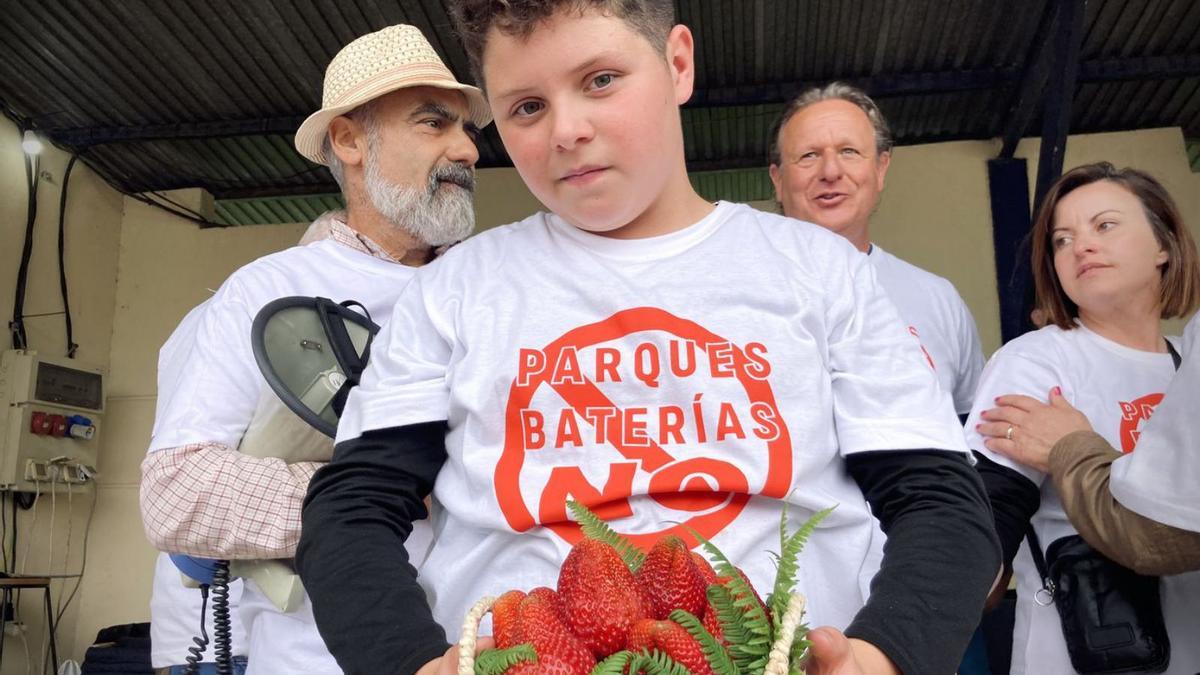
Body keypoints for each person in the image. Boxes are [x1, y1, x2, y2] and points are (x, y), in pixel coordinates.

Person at [297, 3, 1000, 675]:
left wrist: (886, 655)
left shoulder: (820, 272)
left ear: (679, 63)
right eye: (527, 107)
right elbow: (352, 508)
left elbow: (939, 498)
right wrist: (410, 661)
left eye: (600, 80)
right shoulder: (453, 293)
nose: (567, 129)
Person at [138, 24, 489, 675]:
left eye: (469, 130)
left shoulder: (498, 288)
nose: (466, 148)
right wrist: (386, 488)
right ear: (350, 140)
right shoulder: (271, 291)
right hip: (315, 658)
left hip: (487, 651)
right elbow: (176, 492)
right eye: (433, 124)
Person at [966, 162, 1200, 674]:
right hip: (1081, 657)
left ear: (1163, 245)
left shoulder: (1191, 362)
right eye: (1062, 240)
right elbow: (989, 516)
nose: (1082, 246)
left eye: (1105, 225)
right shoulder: (1035, 360)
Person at [768, 82, 984, 417]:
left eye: (849, 152)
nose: (831, 171)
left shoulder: (939, 300)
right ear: (778, 180)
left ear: (881, 169)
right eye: (809, 156)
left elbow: (970, 426)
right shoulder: (742, 295)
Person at [977, 310, 1200, 576]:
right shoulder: (1031, 358)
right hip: (1080, 612)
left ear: (1163, 263)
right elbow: (989, 530)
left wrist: (1069, 447)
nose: (1080, 264)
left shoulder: (1187, 354)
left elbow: (1156, 534)